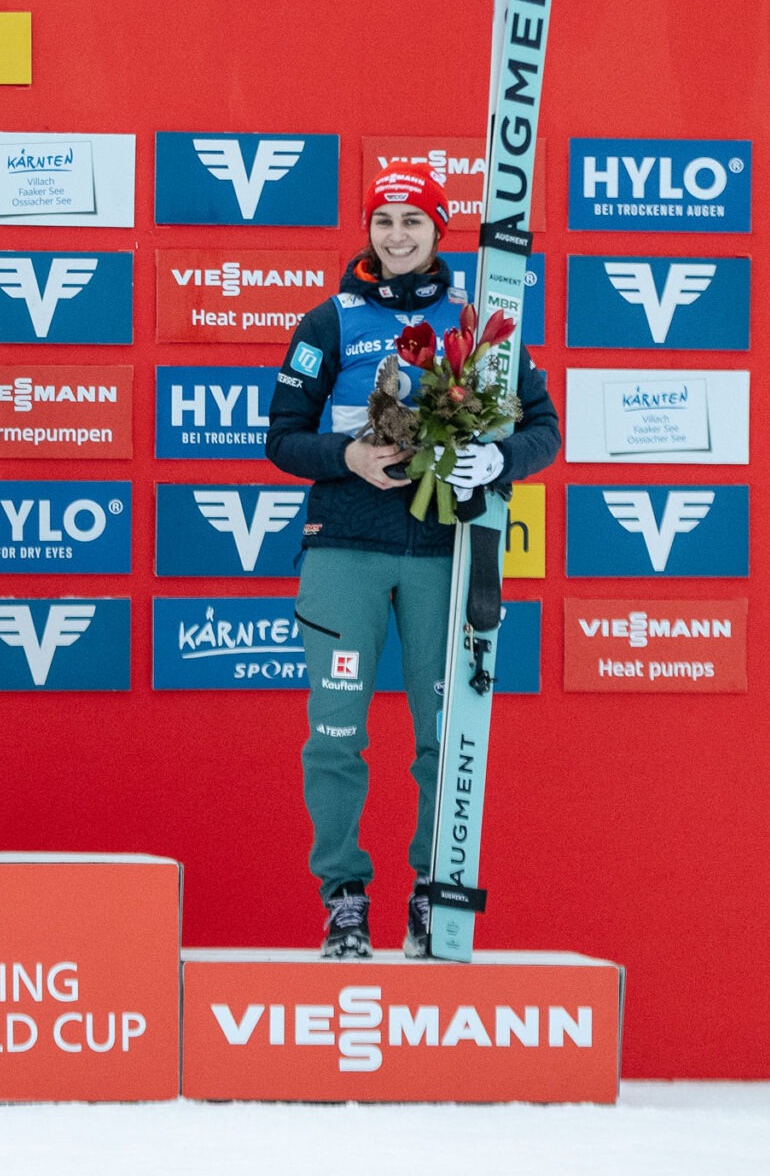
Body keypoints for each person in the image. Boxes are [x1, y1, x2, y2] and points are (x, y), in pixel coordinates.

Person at [263, 167, 559, 958]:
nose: (396, 235)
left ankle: (434, 892)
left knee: (443, 735)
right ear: (369, 228)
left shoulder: (478, 321)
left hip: (442, 552)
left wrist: (497, 462)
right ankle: (344, 900)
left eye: (413, 221)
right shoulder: (329, 320)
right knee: (335, 733)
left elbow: (544, 427)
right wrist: (348, 456)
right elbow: (281, 437)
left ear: (437, 231)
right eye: (384, 219)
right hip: (344, 548)